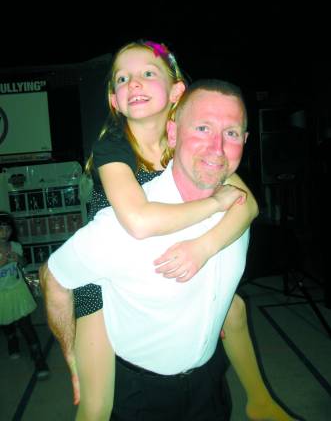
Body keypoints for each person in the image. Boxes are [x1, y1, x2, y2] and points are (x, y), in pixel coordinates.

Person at [40, 79, 299, 421]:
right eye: (203, 128)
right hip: (139, 396)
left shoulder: (238, 208)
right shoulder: (122, 227)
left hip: (210, 384)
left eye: (232, 133)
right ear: (173, 134)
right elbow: (53, 276)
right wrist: (70, 350)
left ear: (245, 142)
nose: (217, 147)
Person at [0, 211, 50, 380]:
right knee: (6, 322)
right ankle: (11, 339)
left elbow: (24, 263)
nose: (4, 232)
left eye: (7, 228)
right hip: (1, 294)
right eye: (0, 228)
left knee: (26, 325)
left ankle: (38, 358)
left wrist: (18, 259)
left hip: (18, 289)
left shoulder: (15, 246)